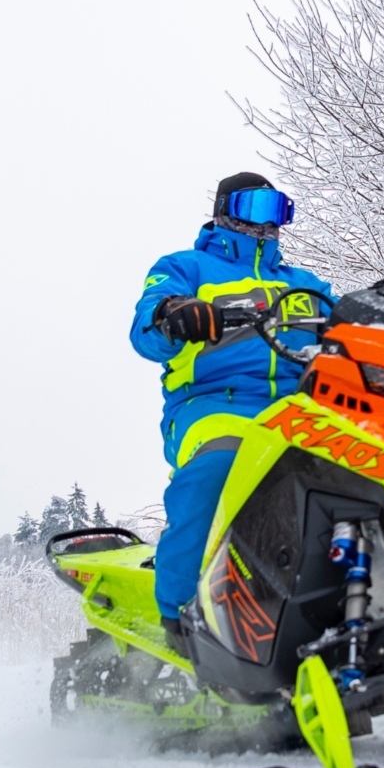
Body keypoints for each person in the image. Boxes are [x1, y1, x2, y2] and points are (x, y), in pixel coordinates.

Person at [132, 172, 334, 647]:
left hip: (299, 412)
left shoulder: (304, 284)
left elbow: (351, 322)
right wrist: (173, 315)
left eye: (277, 211)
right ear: (225, 210)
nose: (266, 224)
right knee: (220, 467)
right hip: (212, 406)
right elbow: (146, 325)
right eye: (253, 208)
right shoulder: (187, 268)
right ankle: (181, 618)